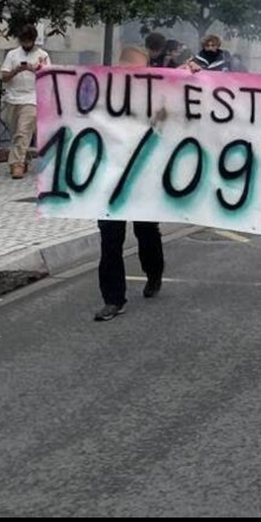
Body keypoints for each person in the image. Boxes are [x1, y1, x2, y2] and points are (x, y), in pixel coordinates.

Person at [93, 46, 164, 322]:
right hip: (110, 179)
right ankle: (113, 299)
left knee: (146, 232)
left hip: (143, 177)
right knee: (110, 239)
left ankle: (154, 272)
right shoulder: (105, 94)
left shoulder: (155, 96)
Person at [0, 25, 51, 180]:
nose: (26, 44)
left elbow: (48, 76)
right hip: (13, 97)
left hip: (32, 98)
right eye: (23, 41)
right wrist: (16, 70)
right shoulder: (12, 54)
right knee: (16, 133)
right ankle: (25, 158)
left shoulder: (42, 55)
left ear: (33, 40)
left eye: (28, 41)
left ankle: (17, 164)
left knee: (23, 131)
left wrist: (32, 69)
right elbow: (4, 77)